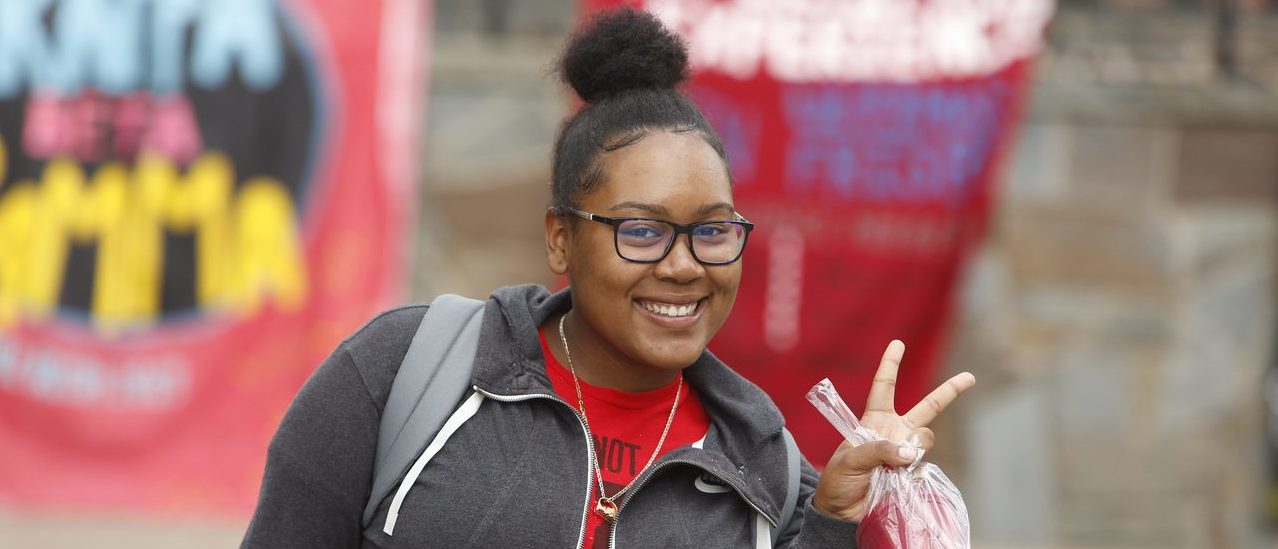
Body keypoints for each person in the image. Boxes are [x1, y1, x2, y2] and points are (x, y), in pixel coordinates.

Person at [240, 7, 975, 548]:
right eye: (643, 230)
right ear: (561, 238)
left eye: (713, 230)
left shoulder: (764, 468)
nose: (684, 265)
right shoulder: (403, 375)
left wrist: (838, 519)